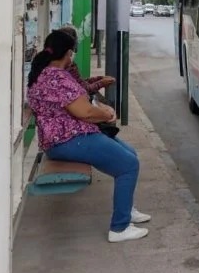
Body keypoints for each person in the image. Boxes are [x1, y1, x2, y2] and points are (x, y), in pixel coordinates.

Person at [26, 30, 150, 243]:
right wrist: (108, 114)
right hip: (69, 138)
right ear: (67, 53)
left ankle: (126, 209)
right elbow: (85, 112)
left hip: (63, 136)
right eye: (72, 51)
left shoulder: (43, 72)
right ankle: (120, 228)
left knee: (130, 153)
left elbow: (78, 107)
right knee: (128, 165)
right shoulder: (57, 78)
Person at [57, 26, 114, 102]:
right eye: (74, 47)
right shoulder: (63, 68)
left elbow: (81, 82)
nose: (74, 51)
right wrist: (101, 83)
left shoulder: (70, 65)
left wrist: (100, 78)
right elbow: (83, 89)